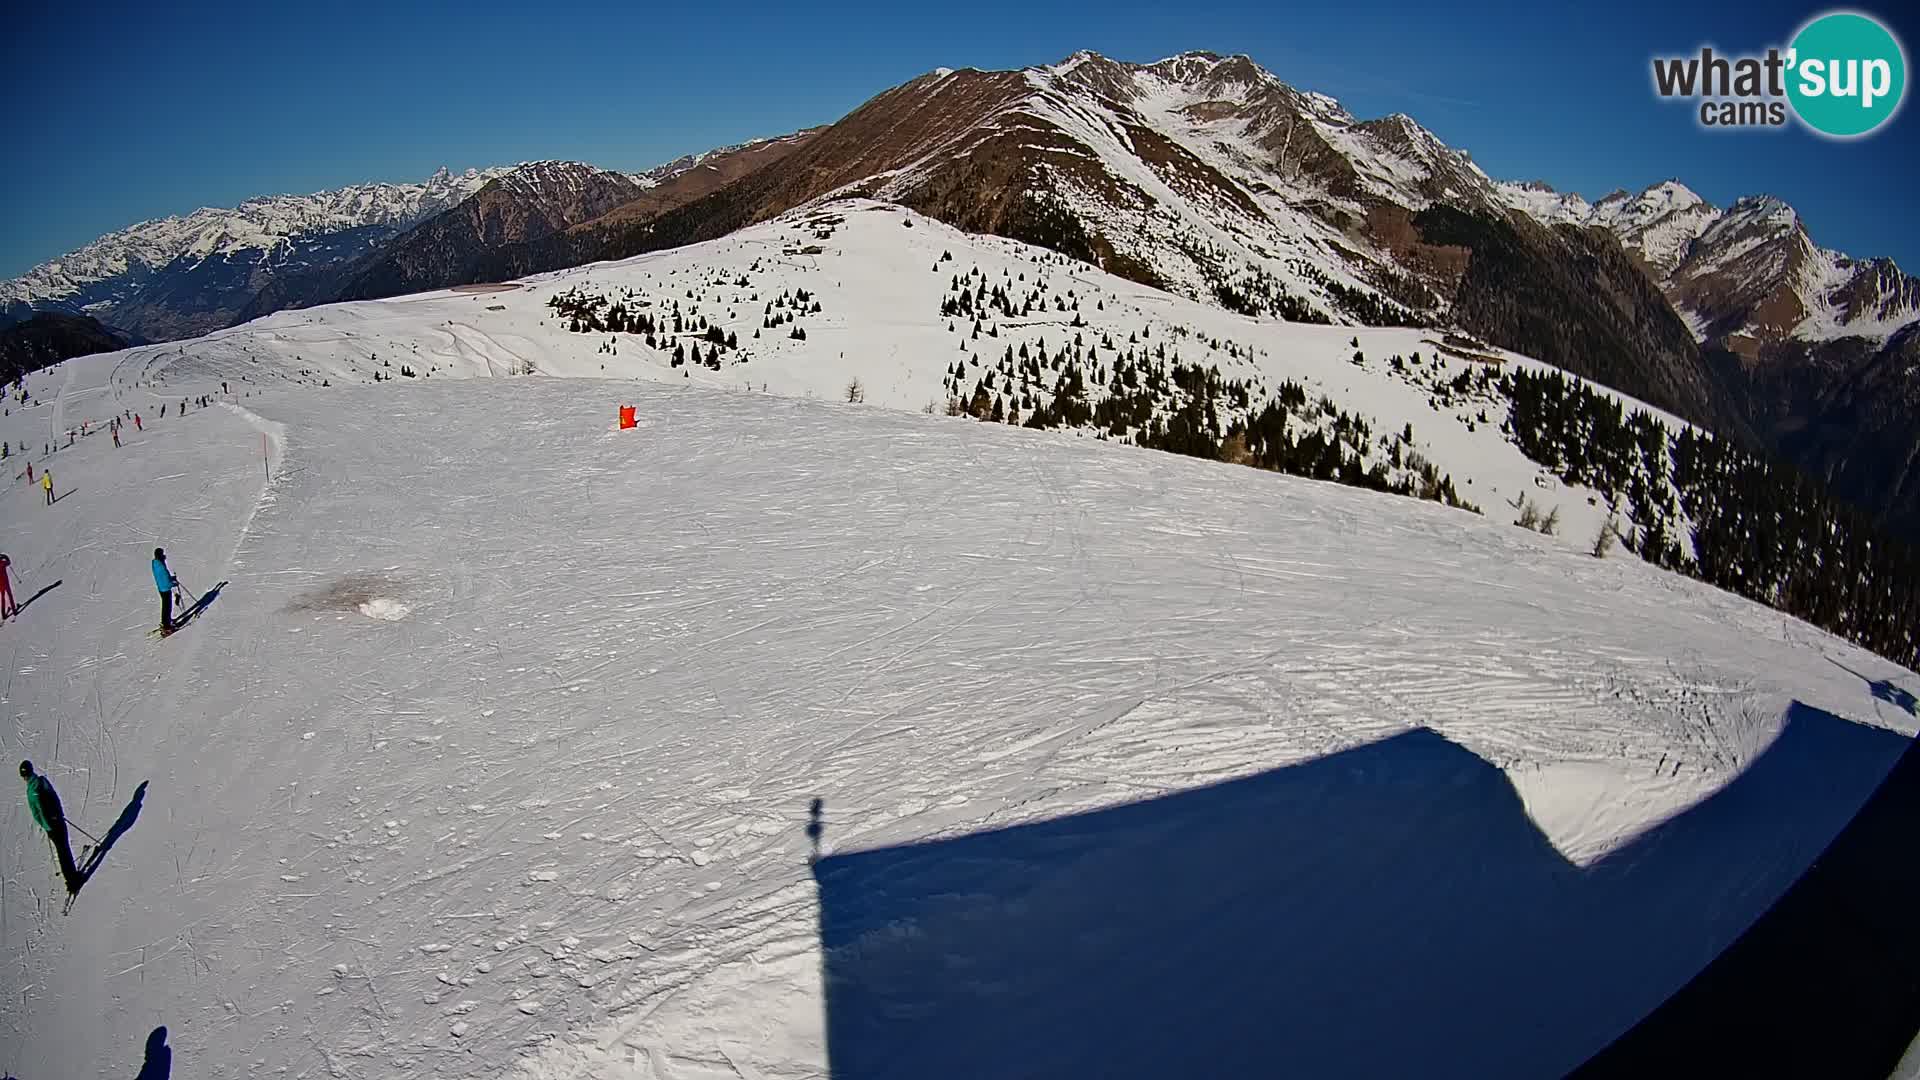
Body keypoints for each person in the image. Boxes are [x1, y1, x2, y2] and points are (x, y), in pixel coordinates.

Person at [20, 760, 84, 895]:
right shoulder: (42, 781)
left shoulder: (31, 792)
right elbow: (54, 797)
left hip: (51, 826)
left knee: (61, 851)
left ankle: (71, 881)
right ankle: (73, 877)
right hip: (58, 820)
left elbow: (36, 813)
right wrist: (59, 814)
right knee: (65, 848)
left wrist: (46, 826)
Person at [153, 547, 180, 635]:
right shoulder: (161, 566)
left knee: (165, 606)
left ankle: (165, 622)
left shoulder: (155, 563)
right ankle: (167, 627)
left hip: (161, 588)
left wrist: (171, 578)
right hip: (165, 589)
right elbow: (165, 580)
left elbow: (163, 577)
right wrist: (173, 583)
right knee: (167, 607)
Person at [0, 553, 14, 619]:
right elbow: (9, 562)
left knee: (2, 598)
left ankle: (3, 614)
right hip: (6, 583)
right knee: (10, 595)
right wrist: (5, 556)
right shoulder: (2, 563)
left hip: (0, 585)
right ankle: (14, 610)